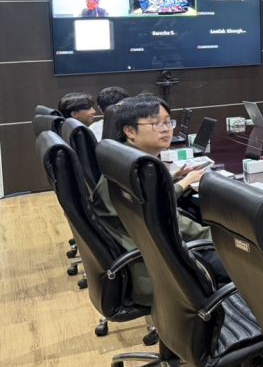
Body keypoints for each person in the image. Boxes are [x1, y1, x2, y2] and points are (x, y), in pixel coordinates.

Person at [89, 95, 227, 304]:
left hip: (147, 257)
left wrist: (172, 178)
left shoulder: (124, 161)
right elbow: (175, 224)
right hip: (156, 271)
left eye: (168, 122)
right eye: (156, 124)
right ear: (130, 131)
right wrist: (228, 241)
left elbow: (152, 201)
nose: (166, 130)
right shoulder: (140, 172)